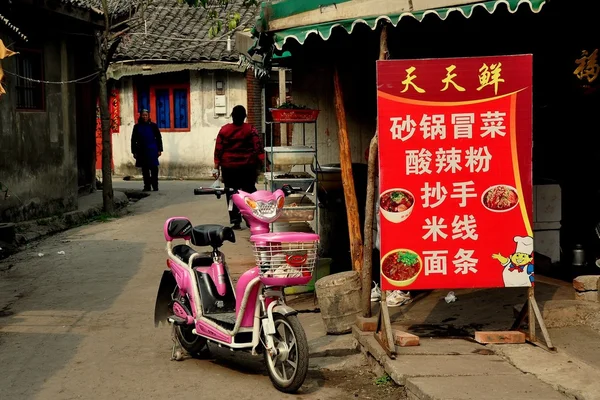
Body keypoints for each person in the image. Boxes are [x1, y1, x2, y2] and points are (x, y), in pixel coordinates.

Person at [365, 147, 412, 307]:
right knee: (381, 245)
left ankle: (401, 290)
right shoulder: (377, 168)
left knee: (398, 245)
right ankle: (384, 286)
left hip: (397, 206)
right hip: (384, 203)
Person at [213, 105, 265, 230]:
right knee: (249, 191)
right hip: (248, 167)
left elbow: (218, 149)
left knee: (231, 192)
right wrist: (263, 163)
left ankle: (235, 220)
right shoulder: (251, 129)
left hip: (229, 167)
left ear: (232, 115)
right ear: (244, 117)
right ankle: (250, 217)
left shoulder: (224, 130)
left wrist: (216, 167)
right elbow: (257, 146)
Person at [131, 109, 163, 192]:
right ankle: (147, 186)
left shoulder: (153, 126)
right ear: (140, 116)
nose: (145, 117)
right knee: (145, 170)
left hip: (152, 150)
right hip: (141, 151)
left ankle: (155, 186)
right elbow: (133, 140)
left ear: (148, 116)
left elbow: (159, 138)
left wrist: (159, 149)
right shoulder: (137, 127)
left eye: (146, 115)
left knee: (154, 169)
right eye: (143, 115)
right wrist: (134, 151)